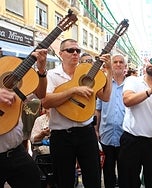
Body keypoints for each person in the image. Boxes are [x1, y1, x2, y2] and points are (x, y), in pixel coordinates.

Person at [41, 38, 112, 188]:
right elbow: (46, 102)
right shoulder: (52, 75)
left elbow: (105, 97)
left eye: (77, 50)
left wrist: (110, 71)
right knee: (64, 181)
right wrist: (73, 90)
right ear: (60, 54)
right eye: (70, 50)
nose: (75, 53)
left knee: (93, 178)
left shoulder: (87, 74)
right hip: (61, 135)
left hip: (86, 133)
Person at [118, 51, 152, 188]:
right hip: (131, 140)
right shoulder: (133, 80)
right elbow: (127, 100)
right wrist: (150, 91)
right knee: (128, 181)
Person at [0, 49, 48, 188]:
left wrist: (41, 69)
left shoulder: (5, 69)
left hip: (16, 151)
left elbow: (40, 94)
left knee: (34, 181)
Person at [95, 54, 126, 188]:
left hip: (125, 136)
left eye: (121, 62)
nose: (118, 64)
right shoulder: (104, 84)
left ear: (125, 66)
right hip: (106, 134)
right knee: (108, 171)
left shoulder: (131, 85)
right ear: (111, 65)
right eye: (115, 62)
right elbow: (98, 109)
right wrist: (96, 129)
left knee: (125, 171)